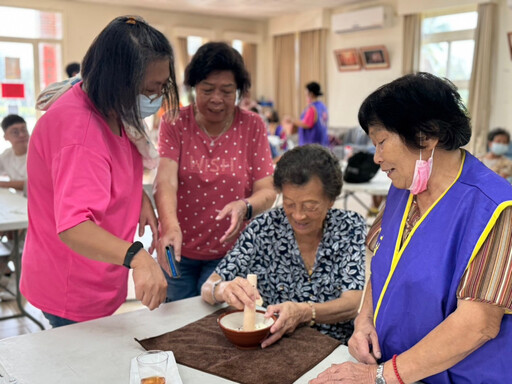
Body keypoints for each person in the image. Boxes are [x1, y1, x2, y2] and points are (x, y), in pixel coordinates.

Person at [311, 72, 512, 384]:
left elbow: (479, 324)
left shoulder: (496, 209)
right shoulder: (404, 188)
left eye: (381, 142)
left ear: (427, 136)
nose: (376, 158)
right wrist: (364, 319)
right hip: (397, 368)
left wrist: (378, 375)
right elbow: (382, 263)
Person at [20, 15, 179, 327]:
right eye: (150, 89)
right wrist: (139, 257)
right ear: (119, 81)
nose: (156, 98)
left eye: (162, 86)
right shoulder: (80, 134)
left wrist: (139, 198)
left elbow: (117, 162)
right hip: (71, 285)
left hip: (99, 275)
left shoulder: (109, 105)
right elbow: (74, 227)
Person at [201, 144, 366, 347]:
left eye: (310, 206)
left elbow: (352, 302)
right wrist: (222, 288)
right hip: (276, 345)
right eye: (289, 204)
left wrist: (305, 312)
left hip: (333, 346)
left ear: (331, 199)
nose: (298, 215)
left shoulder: (348, 226)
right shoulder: (265, 227)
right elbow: (208, 287)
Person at [154, 41, 275, 302]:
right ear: (193, 87)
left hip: (230, 254)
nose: (217, 99)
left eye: (227, 91)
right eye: (207, 89)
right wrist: (170, 226)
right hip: (178, 249)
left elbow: (267, 190)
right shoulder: (174, 121)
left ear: (239, 92)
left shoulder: (252, 125)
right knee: (176, 326)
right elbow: (165, 181)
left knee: (215, 328)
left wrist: (245, 206)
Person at [283, 81, 328, 147]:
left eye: (306, 94)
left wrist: (292, 120)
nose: (305, 96)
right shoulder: (323, 107)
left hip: (311, 145)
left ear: (311, 94)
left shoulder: (312, 108)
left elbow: (307, 124)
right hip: (322, 143)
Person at [0, 114, 29, 192]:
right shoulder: (6, 155)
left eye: (24, 130)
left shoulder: (39, 152)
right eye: (15, 132)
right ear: (5, 137)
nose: (22, 135)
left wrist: (4, 184)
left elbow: (32, 184)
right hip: (19, 201)